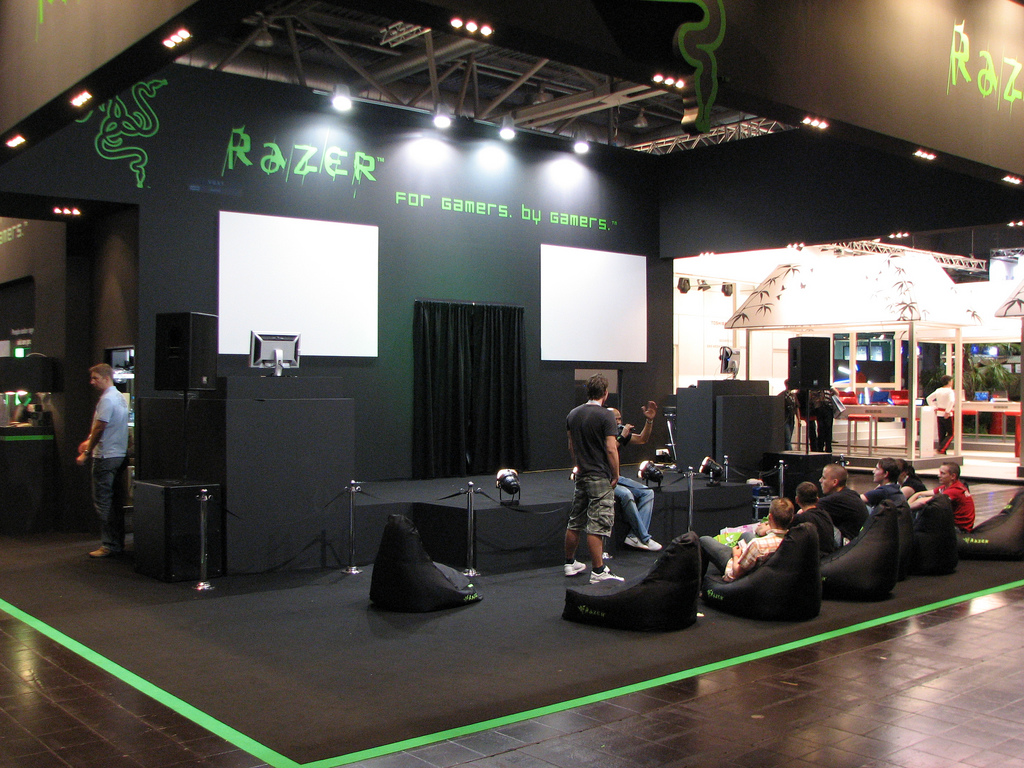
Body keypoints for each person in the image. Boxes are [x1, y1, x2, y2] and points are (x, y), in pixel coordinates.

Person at [564, 374, 624, 582]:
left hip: (582, 474)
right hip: (599, 476)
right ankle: (598, 571)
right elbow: (611, 448)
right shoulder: (606, 415)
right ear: (605, 393)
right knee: (597, 524)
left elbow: (571, 446)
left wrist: (578, 465)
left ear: (587, 391)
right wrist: (616, 474)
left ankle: (570, 563)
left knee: (575, 520)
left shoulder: (573, 414)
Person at [76, 363, 130, 558]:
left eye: (95, 378)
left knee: (104, 502)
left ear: (106, 378)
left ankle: (109, 544)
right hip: (118, 455)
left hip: (105, 456)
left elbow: (100, 426)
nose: (92, 382)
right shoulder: (119, 398)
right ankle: (116, 542)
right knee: (115, 502)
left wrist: (87, 451)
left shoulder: (107, 400)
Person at [700, 497, 794, 581]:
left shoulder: (758, 544)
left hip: (740, 575)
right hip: (766, 577)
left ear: (770, 517)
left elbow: (737, 573)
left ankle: (702, 587)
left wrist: (736, 555)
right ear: (791, 519)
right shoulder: (794, 542)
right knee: (746, 535)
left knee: (704, 540)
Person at [610, 401, 661, 551]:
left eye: (620, 418)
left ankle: (634, 536)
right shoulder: (602, 433)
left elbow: (642, 439)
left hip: (617, 477)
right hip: (603, 479)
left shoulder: (620, 433)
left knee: (647, 492)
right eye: (615, 419)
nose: (618, 422)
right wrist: (622, 436)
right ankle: (645, 538)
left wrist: (649, 421)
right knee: (626, 494)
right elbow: (609, 450)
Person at [908, 461, 975, 531]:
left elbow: (922, 502)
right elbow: (919, 494)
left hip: (959, 529)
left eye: (943, 473)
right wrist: (913, 498)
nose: (939, 475)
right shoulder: (946, 487)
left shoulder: (955, 490)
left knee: (926, 508)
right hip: (953, 524)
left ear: (953, 476)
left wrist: (905, 510)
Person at [817, 463, 869, 542]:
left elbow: (807, 509)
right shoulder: (851, 493)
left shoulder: (837, 499)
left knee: (813, 517)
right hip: (860, 540)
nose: (820, 480)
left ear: (834, 482)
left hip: (849, 543)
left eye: (824, 478)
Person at [792, 480, 837, 555]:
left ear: (797, 500)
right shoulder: (825, 514)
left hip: (815, 560)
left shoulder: (800, 519)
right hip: (830, 557)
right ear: (817, 499)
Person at [926, 375, 955, 454]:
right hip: (947, 414)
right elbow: (951, 401)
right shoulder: (950, 391)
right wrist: (948, 411)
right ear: (949, 382)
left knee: (941, 433)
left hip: (939, 413)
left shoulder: (938, 390)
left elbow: (928, 398)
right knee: (951, 433)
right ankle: (941, 448)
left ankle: (941, 449)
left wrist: (934, 407)